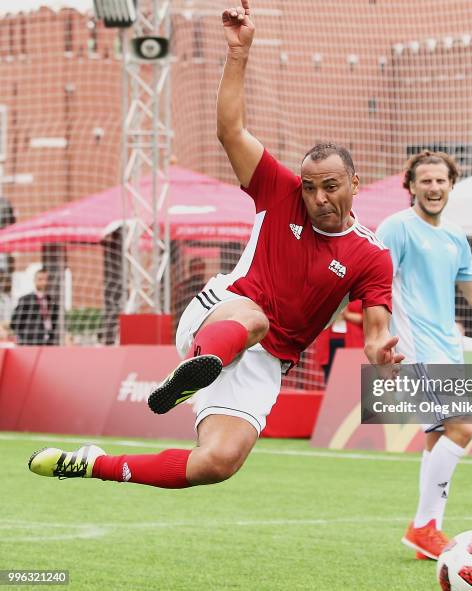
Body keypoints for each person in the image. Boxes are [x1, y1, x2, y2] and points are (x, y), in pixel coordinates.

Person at [28, 0, 402, 490]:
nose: (317, 197)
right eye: (310, 187)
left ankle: (91, 463)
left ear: (355, 182)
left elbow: (376, 331)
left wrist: (379, 354)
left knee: (216, 464)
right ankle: (191, 371)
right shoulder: (279, 190)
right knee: (254, 317)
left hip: (267, 360)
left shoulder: (372, 256)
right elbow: (230, 131)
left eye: (330, 186)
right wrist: (239, 53)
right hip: (223, 314)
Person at [376, 150, 472, 560]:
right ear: (410, 185)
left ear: (451, 185)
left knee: (438, 437)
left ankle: (428, 530)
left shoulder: (454, 235)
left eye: (440, 181)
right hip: (413, 351)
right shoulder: (396, 228)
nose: (433, 188)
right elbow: (371, 284)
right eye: (425, 181)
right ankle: (424, 527)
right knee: (461, 429)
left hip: (446, 350)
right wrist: (377, 341)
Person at [10, 268, 58, 346]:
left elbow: (54, 321)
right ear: (35, 280)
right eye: (40, 279)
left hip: (48, 341)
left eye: (46, 279)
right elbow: (15, 323)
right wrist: (24, 337)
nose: (43, 282)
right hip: (30, 342)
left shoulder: (52, 301)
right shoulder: (25, 300)